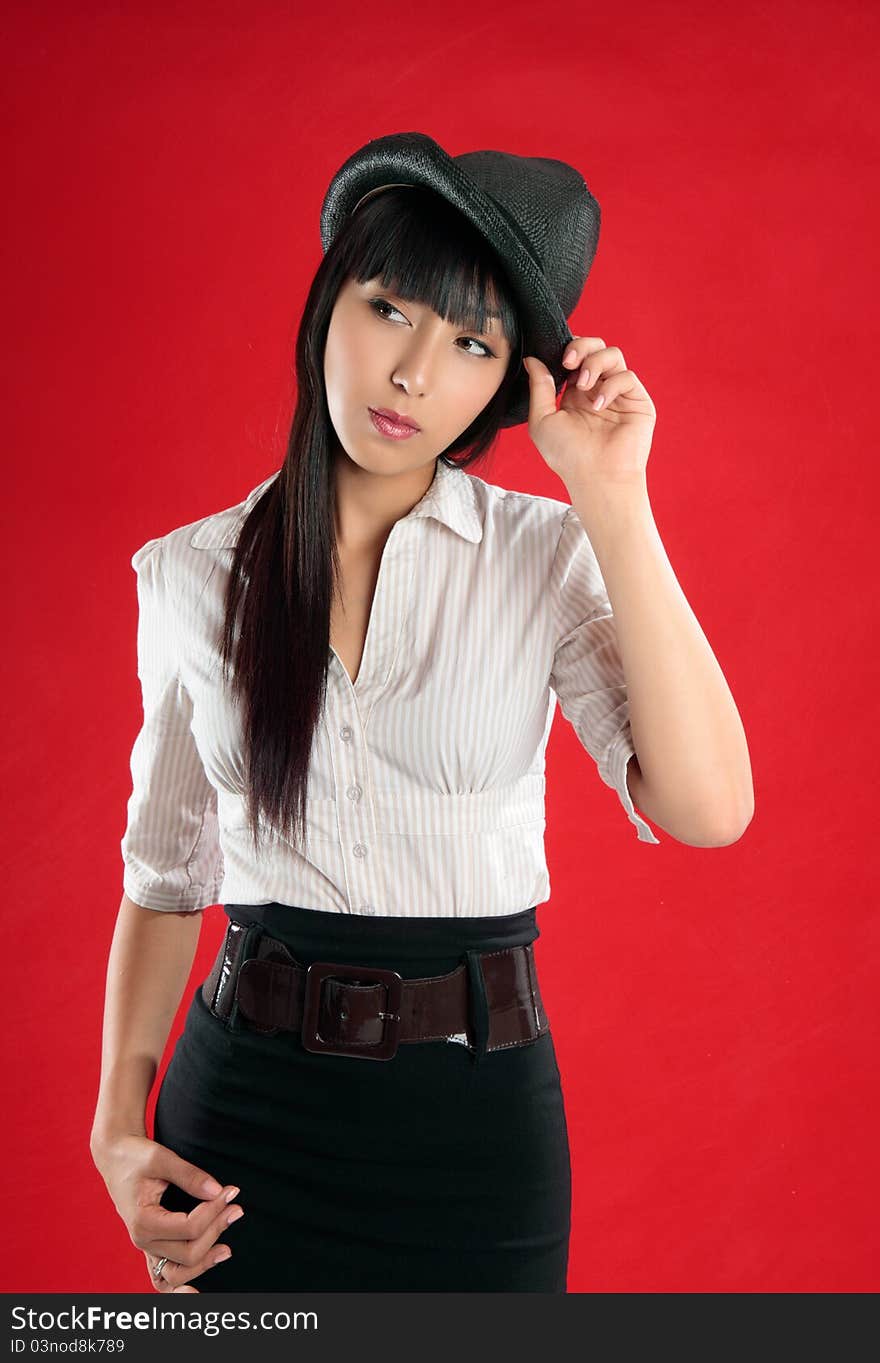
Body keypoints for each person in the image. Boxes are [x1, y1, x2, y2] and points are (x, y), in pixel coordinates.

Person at [89, 130, 704, 1295]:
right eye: (390, 311)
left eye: (470, 341)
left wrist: (614, 497)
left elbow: (708, 806)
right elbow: (165, 879)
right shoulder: (188, 574)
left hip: (477, 1136)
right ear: (331, 303)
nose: (415, 371)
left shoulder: (543, 555)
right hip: (240, 1134)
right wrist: (116, 1130)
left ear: (507, 381)